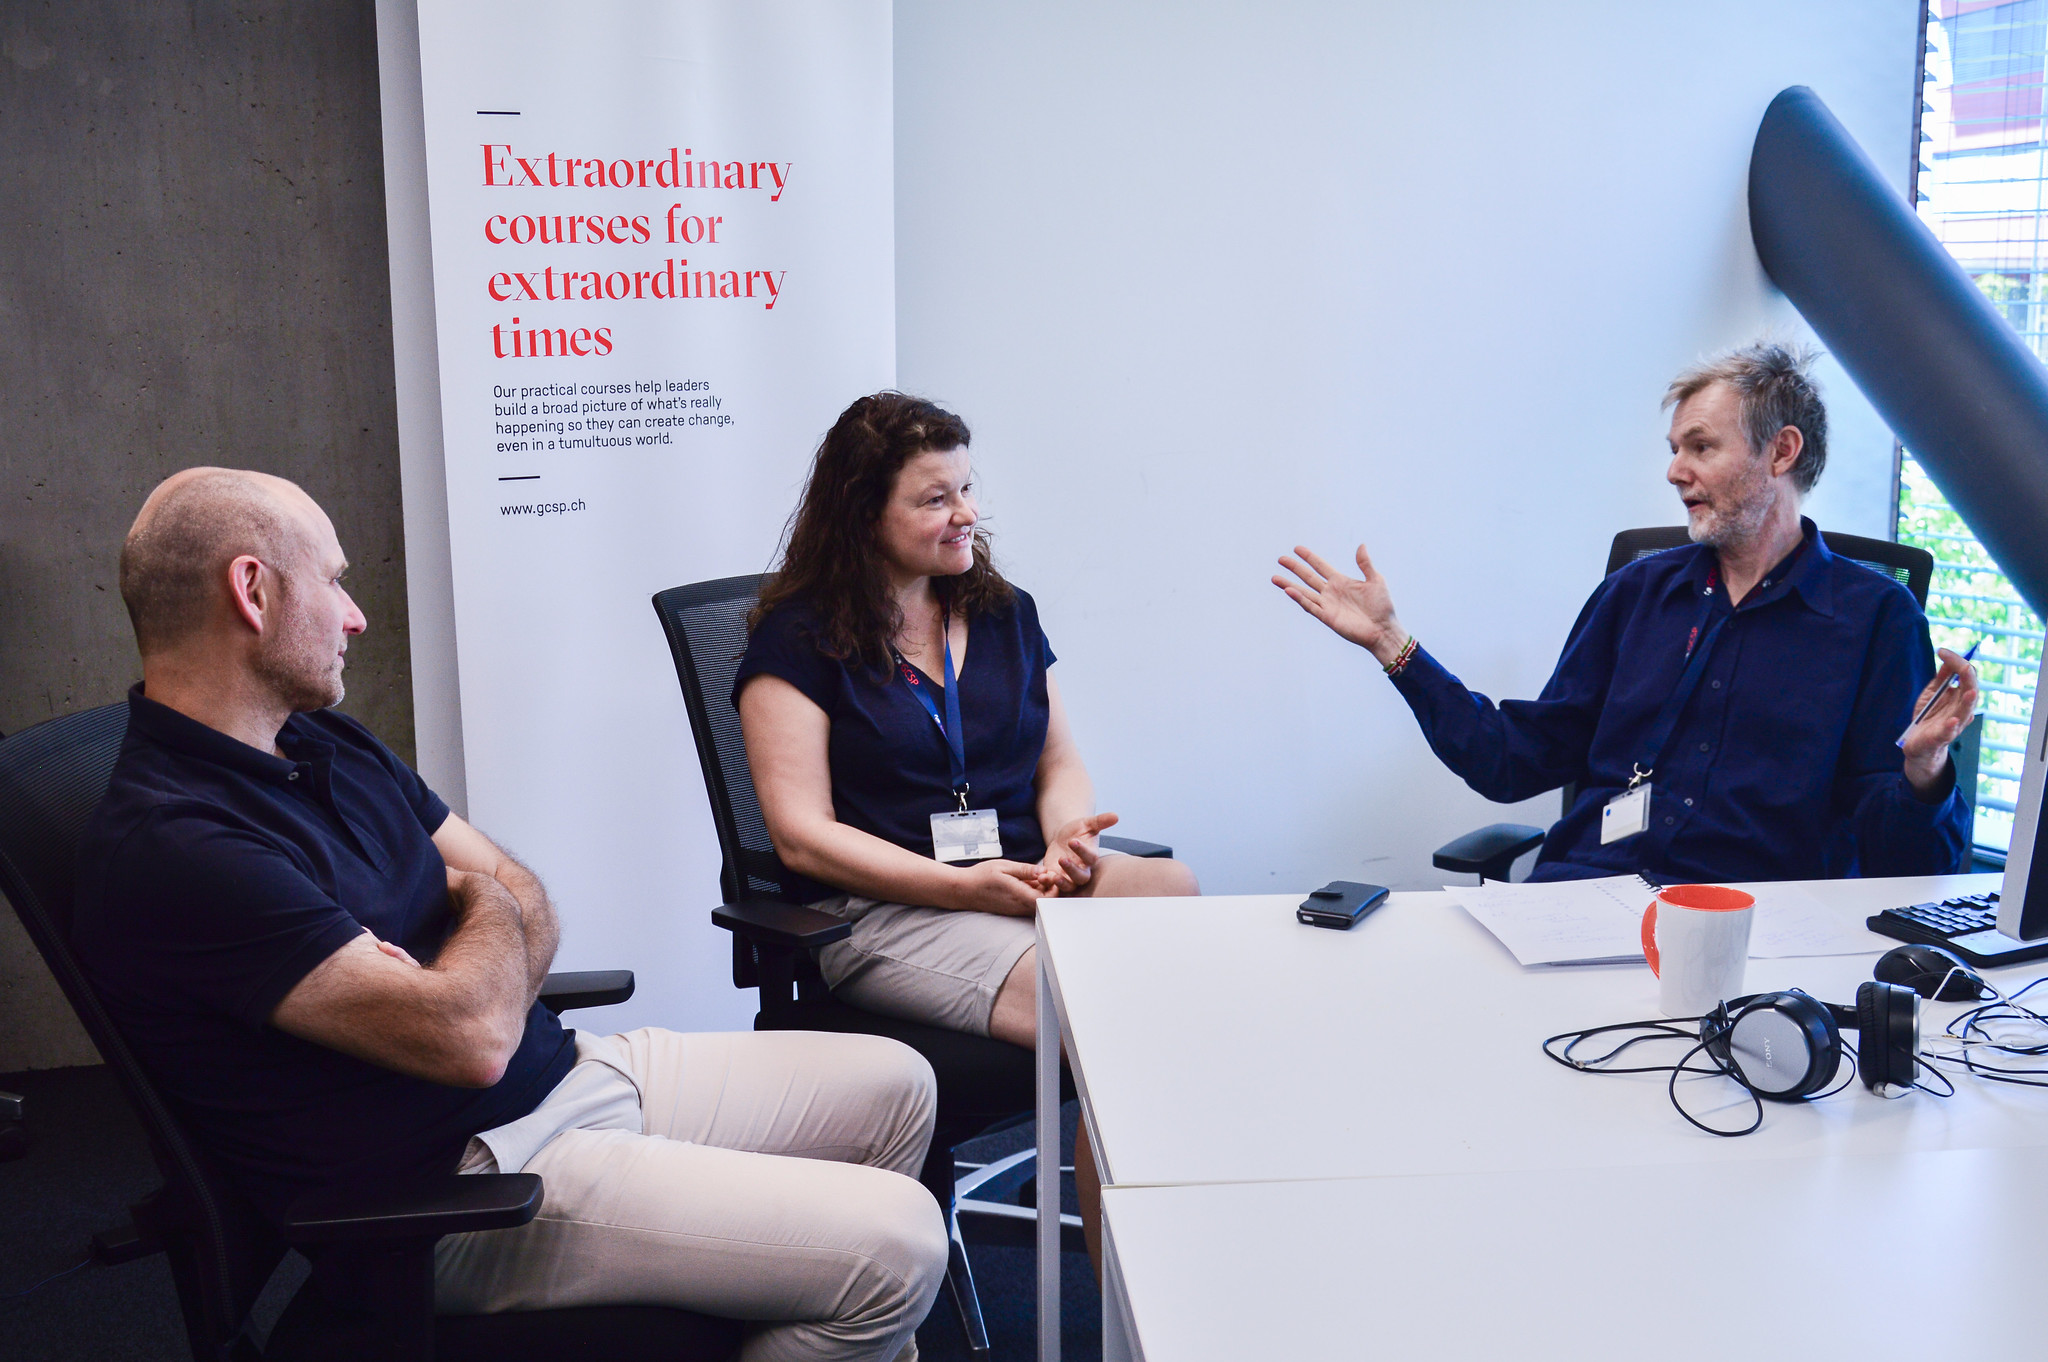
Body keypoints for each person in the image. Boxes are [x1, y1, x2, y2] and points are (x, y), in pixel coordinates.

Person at [72, 468, 945, 1362]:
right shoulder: (181, 846)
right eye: (332, 580)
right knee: (900, 1246)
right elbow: (475, 1028)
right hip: (462, 1188)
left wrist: (475, 924)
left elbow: (510, 889)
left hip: (566, 1073)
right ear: (253, 592)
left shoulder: (318, 736)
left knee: (899, 1087)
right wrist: (482, 915)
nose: (355, 614)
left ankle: (789, 1313)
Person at [733, 392, 1199, 1259]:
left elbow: (1057, 761)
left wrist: (1067, 838)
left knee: (1174, 896)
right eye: (934, 498)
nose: (967, 515)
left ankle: (1157, 1217)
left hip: (1015, 875)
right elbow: (800, 836)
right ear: (862, 513)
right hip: (882, 911)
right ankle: (1122, 1285)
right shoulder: (795, 643)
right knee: (1117, 1009)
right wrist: (961, 887)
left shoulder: (1001, 610)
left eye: (967, 489)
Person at [1274, 341, 1976, 883]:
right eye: (1674, 450)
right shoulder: (1637, 593)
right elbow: (1511, 762)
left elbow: (1908, 865)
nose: (1675, 470)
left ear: (1781, 451)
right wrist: (1392, 645)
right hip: (1584, 901)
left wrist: (1924, 774)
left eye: (1701, 446)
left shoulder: (1876, 618)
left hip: (1750, 935)